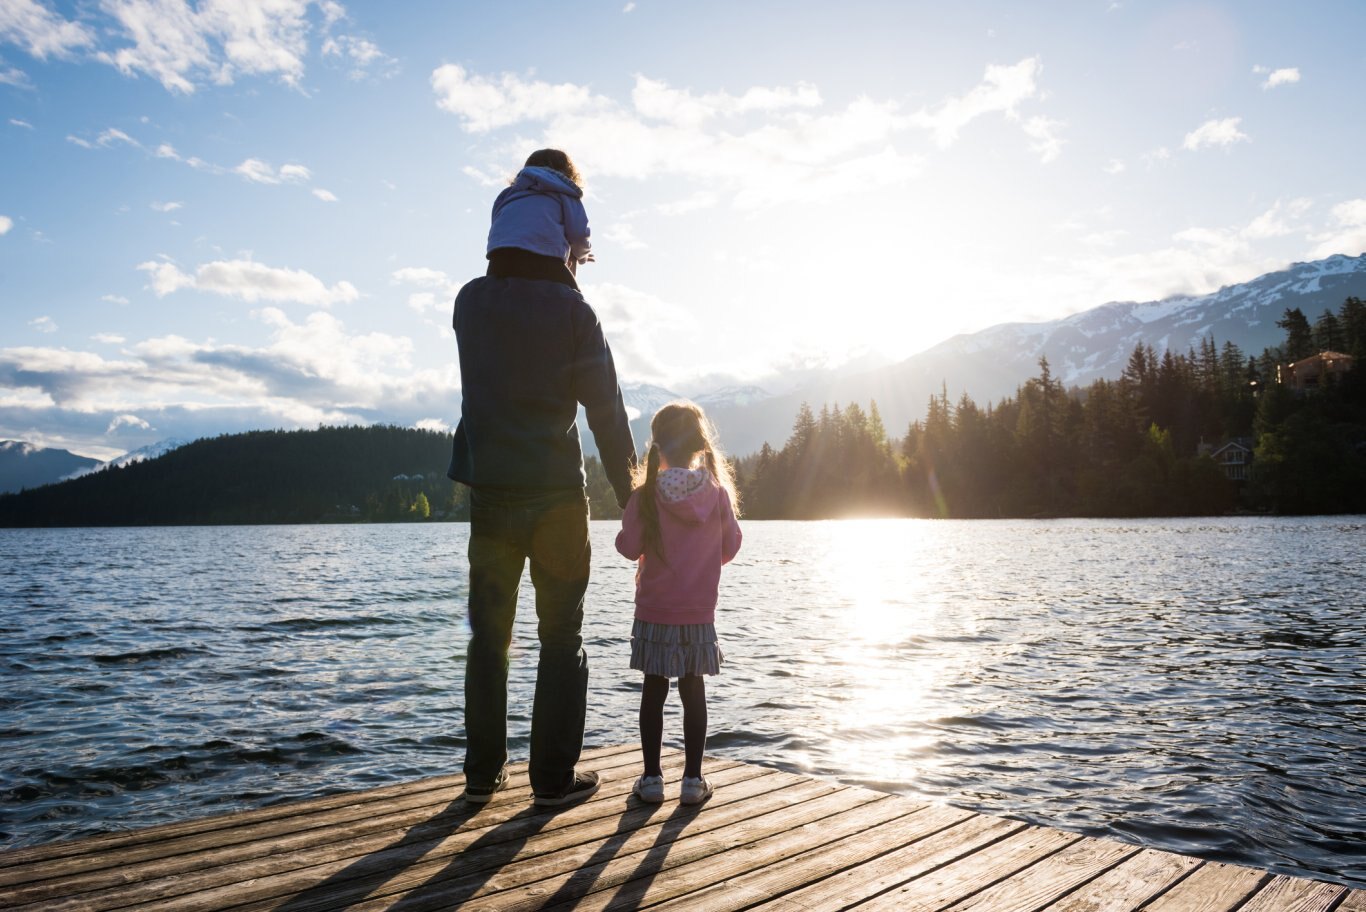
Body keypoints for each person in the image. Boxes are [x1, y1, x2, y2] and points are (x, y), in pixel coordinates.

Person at [449, 150, 636, 808]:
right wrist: (635, 500)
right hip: (556, 498)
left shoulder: (470, 303)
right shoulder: (573, 314)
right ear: (561, 228)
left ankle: (480, 777)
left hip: (491, 494)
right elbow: (609, 417)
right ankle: (552, 780)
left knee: (488, 639)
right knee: (561, 639)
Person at [615, 402, 742, 805]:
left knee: (654, 691)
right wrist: (704, 560)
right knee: (694, 691)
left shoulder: (646, 496)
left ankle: (652, 780)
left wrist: (627, 531)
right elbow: (732, 545)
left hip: (654, 610)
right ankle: (692, 781)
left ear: (657, 447)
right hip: (698, 613)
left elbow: (628, 547)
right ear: (698, 446)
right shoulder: (716, 495)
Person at [485, 148, 594, 290]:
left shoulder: (508, 194)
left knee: (495, 295)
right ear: (569, 173)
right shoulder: (567, 194)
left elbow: (496, 223)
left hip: (499, 259)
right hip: (544, 260)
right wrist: (582, 255)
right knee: (574, 299)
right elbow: (578, 234)